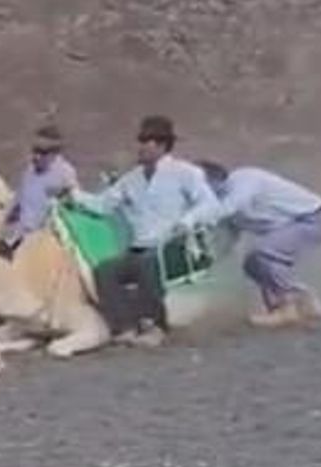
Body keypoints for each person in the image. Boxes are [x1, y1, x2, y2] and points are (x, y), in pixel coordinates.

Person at [68, 115, 219, 347]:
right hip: (139, 248)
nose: (140, 146)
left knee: (148, 264)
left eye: (147, 141)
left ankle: (155, 325)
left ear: (162, 145)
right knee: (105, 271)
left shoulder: (185, 173)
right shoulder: (132, 179)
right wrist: (73, 195)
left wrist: (187, 221)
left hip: (170, 246)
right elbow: (103, 204)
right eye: (140, 140)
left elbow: (209, 203)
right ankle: (124, 326)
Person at [197, 160, 321, 328]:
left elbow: (233, 205)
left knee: (263, 253)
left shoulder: (243, 178)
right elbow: (226, 241)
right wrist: (206, 266)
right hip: (290, 226)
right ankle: (301, 298)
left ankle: (286, 309)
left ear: (212, 180)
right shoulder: (223, 205)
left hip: (312, 218)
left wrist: (195, 220)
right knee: (252, 264)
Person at [0, 124, 78, 260]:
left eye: (42, 152)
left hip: (43, 245)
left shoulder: (65, 175)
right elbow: (17, 204)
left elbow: (72, 208)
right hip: (18, 238)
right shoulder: (30, 171)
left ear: (55, 154)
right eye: (34, 150)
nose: (36, 157)